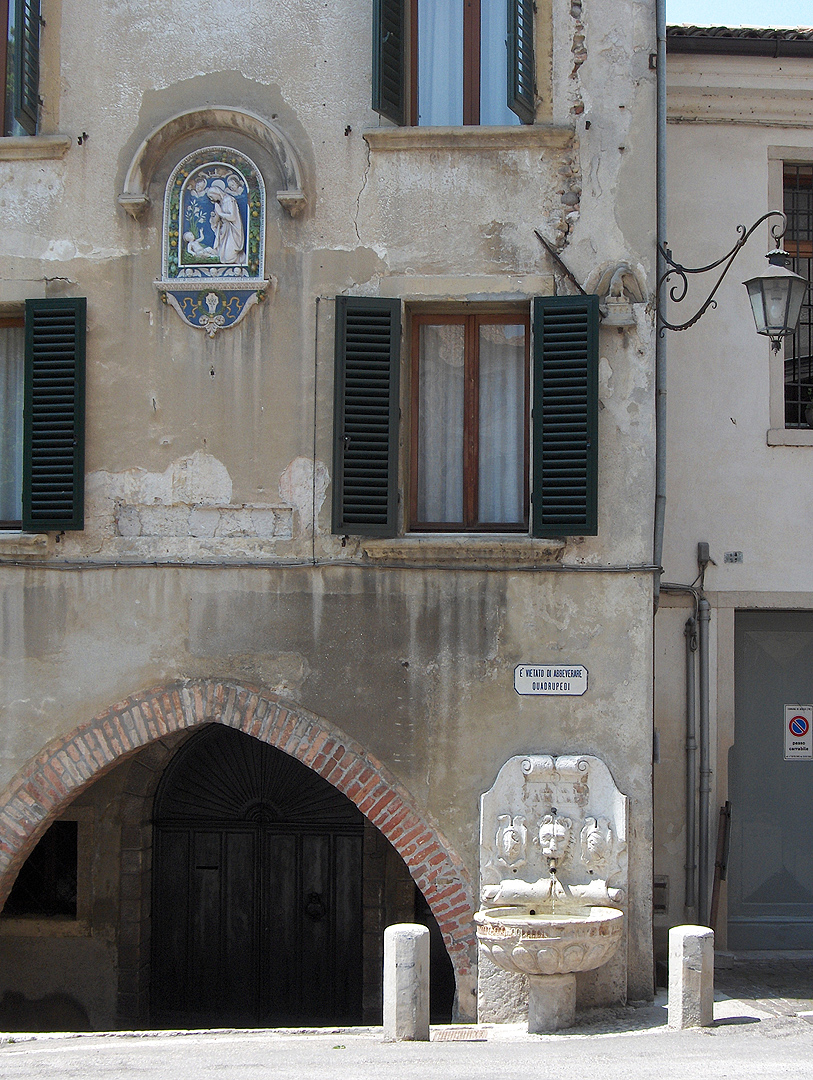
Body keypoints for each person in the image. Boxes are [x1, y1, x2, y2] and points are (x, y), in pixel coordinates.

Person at [206, 179, 245, 264]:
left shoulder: (229, 200)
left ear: (216, 193)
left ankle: (241, 259)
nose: (212, 199)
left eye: (211, 197)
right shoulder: (219, 203)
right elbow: (216, 221)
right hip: (224, 231)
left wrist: (220, 213)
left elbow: (233, 217)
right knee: (222, 255)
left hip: (232, 231)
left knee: (228, 257)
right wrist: (214, 216)